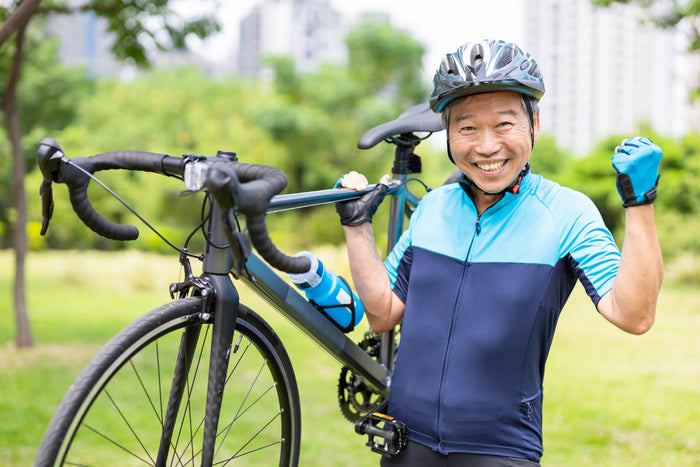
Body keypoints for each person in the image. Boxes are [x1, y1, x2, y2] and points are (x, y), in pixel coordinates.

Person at [335, 39, 663, 467]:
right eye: (467, 128)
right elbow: (382, 314)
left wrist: (640, 203)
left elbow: (634, 315)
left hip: (500, 451)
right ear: (449, 135)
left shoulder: (566, 212)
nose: (486, 147)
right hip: (403, 443)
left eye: (504, 125)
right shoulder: (433, 208)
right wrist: (356, 227)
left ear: (534, 124)